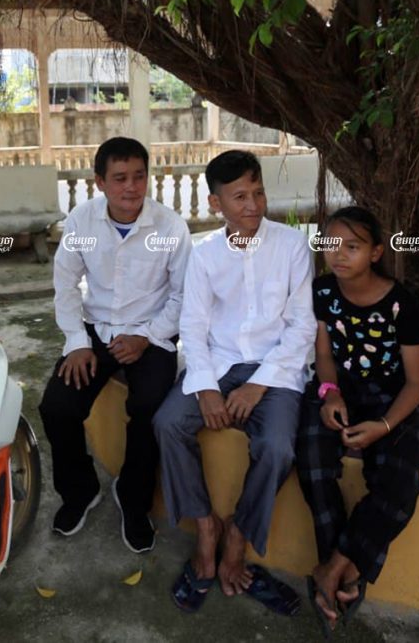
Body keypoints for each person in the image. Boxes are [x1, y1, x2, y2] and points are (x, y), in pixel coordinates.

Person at [153, 150, 313, 614]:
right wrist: (204, 387)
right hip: (218, 365)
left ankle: (239, 534)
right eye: (240, 196)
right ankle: (206, 527)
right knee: (167, 424)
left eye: (258, 192)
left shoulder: (292, 246)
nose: (253, 205)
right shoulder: (203, 257)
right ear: (215, 203)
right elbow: (194, 326)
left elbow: (302, 327)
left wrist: (258, 386)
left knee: (280, 446)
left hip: (276, 371)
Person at [40, 137, 190, 553]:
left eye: (139, 177)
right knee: (56, 407)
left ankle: (133, 497)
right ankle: (81, 490)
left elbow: (182, 295)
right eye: (120, 178)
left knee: (148, 408)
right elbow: (66, 285)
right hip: (95, 330)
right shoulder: (81, 223)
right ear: (99, 182)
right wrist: (75, 343)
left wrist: (147, 338)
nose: (131, 187)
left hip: (151, 331)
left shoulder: (170, 227)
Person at [297, 206, 419, 635]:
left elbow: (416, 384)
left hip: (394, 399)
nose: (338, 255)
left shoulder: (401, 302)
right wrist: (329, 392)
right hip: (342, 391)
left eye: (352, 247)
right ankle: (346, 575)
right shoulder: (322, 291)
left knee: (400, 477)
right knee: (311, 459)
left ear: (376, 252)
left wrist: (384, 425)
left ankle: (336, 567)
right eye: (331, 245)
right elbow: (324, 356)